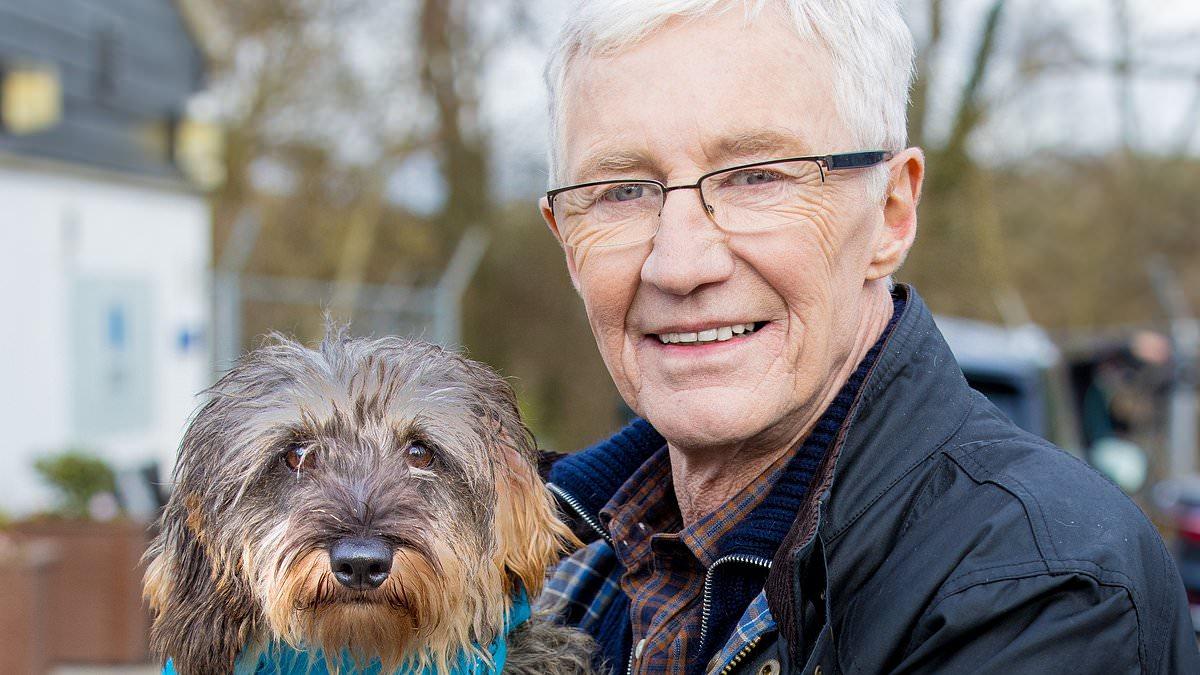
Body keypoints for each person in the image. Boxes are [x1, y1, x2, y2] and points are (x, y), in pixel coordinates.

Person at [534, 1, 1200, 673]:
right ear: (566, 241)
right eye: (620, 191)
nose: (678, 263)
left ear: (891, 213)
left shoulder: (1042, 591)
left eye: (757, 177)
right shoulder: (531, 566)